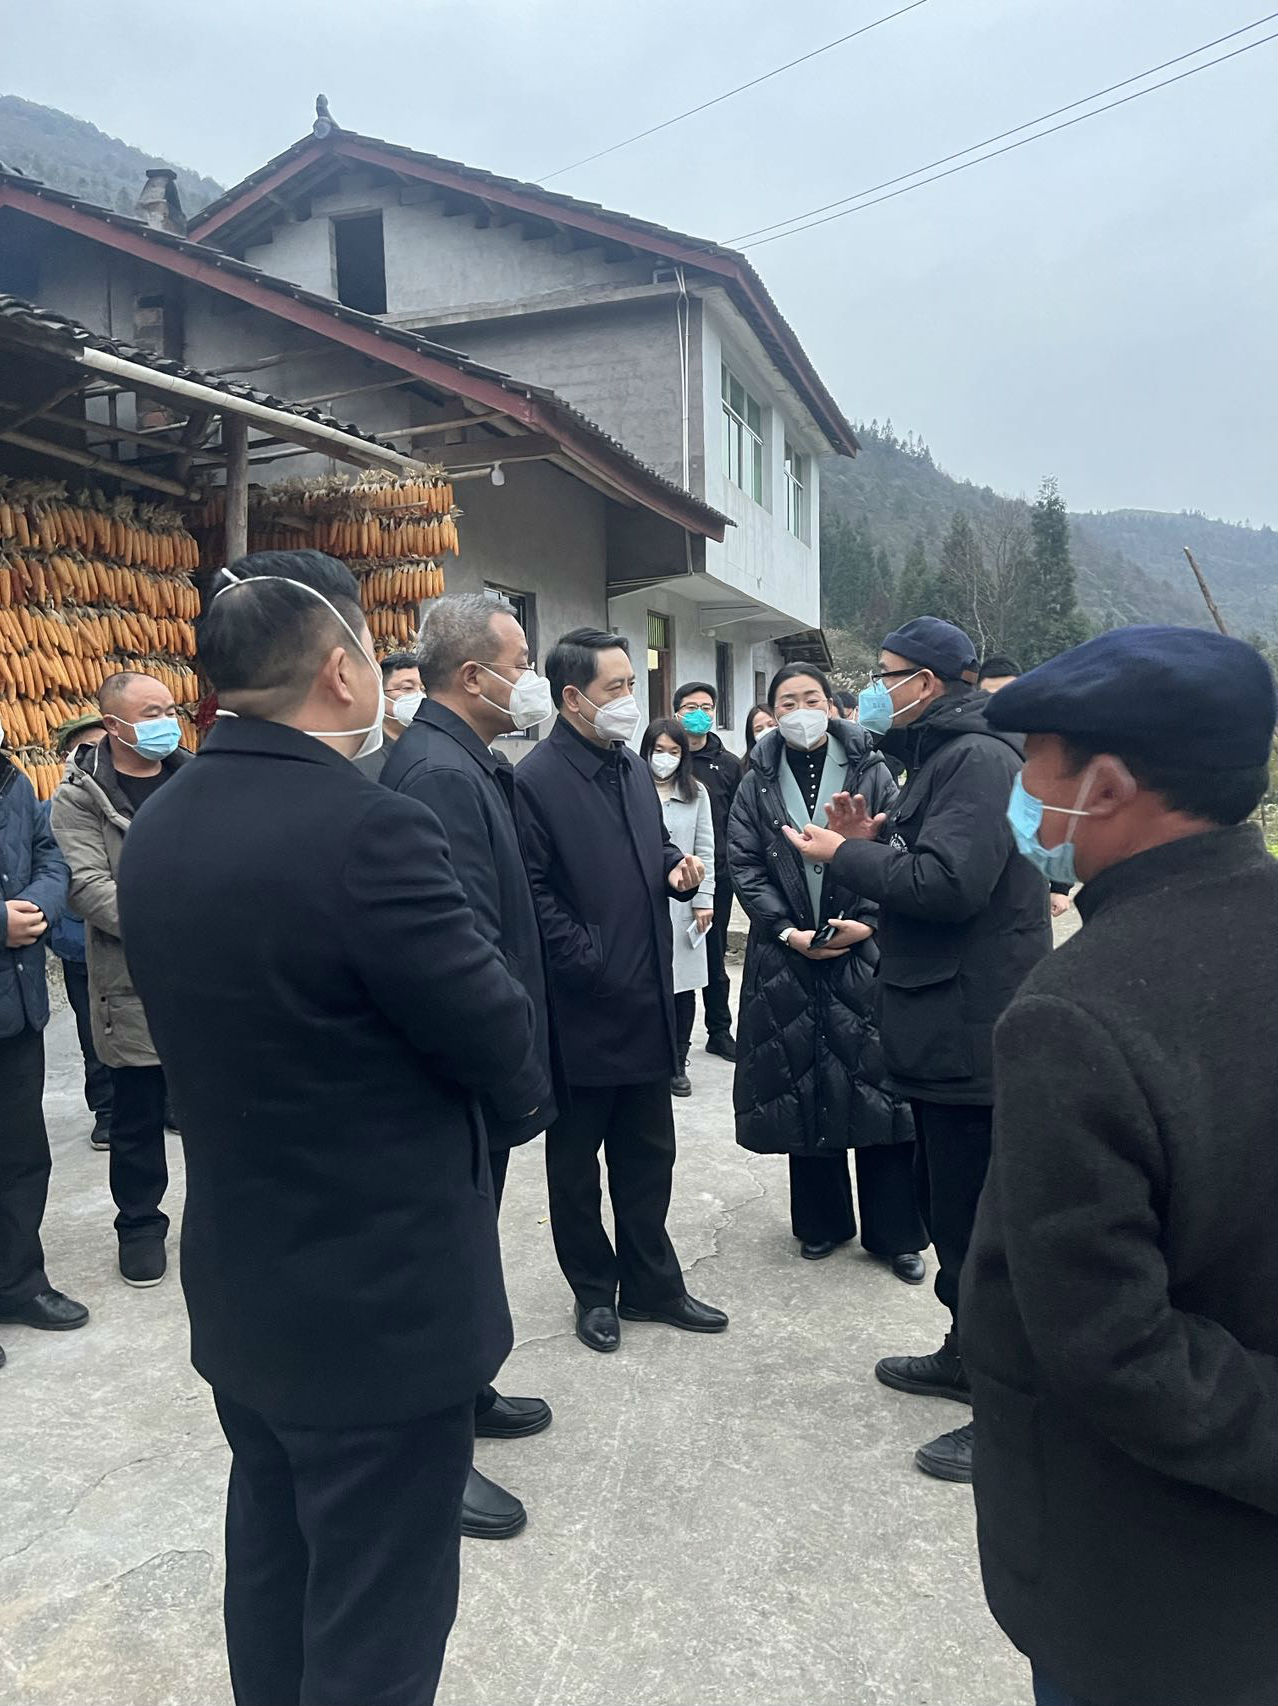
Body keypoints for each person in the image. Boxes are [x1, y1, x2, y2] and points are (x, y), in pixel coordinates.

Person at [118, 550, 535, 1706]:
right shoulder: (370, 828)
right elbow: (496, 1030)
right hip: (378, 1304)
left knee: (274, 1563)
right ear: (342, 670)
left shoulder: (163, 821)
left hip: (246, 1287)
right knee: (377, 1616)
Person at [962, 627, 1278, 1706]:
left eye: (1035, 765)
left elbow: (1116, 1346)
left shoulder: (1077, 1010)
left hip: (1154, 1581)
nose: (1022, 793)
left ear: (1103, 786)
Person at [785, 617, 1050, 1481]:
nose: (874, 688)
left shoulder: (976, 759)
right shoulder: (943, 755)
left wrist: (846, 857)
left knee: (981, 1226)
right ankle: (965, 1354)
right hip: (944, 1023)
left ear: (928, 682)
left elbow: (948, 884)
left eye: (886, 673)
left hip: (972, 1027)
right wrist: (871, 848)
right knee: (950, 1207)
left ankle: (1006, 1414)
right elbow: (932, 862)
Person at [382, 592, 557, 1543]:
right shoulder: (439, 775)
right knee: (448, 1260)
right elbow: (464, 948)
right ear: (471, 675)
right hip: (464, 1071)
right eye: (520, 662)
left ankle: (469, 1391)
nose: (529, 678)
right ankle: (435, 1456)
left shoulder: (469, 760)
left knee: (473, 1246)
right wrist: (510, 1068)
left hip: (487, 1059)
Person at [514, 629, 728, 1353]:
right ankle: (593, 1289)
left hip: (647, 999)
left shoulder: (631, 767)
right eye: (616, 688)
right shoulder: (537, 780)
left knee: (648, 1155)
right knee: (576, 1167)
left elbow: (652, 843)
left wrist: (676, 868)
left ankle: (652, 1284)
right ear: (573, 698)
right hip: (583, 1006)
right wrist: (592, 959)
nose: (630, 700)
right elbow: (532, 893)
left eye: (632, 685)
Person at [728, 667, 925, 1278]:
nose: (801, 710)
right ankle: (822, 1222)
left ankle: (897, 1233)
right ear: (772, 712)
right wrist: (785, 930)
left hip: (865, 950)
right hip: (787, 951)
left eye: (811, 698)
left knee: (880, 1088)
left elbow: (897, 848)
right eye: (787, 702)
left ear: (832, 704)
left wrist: (868, 921)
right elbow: (743, 862)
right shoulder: (756, 778)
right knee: (802, 1079)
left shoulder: (872, 767)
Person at [51, 671, 189, 1289]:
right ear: (113, 725)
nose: (167, 721)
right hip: (131, 975)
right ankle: (139, 1225)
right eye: (151, 712)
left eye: (169, 708)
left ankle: (221, 1218)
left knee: (213, 1109)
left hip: (208, 977)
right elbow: (87, 888)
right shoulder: (80, 797)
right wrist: (180, 925)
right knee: (136, 1112)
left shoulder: (194, 778)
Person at [0, 719, 86, 1364]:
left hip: (17, 1005)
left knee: (22, 1157)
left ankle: (19, 1282)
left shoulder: (12, 780)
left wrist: (38, 906)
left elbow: (49, 853)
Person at [44, 714, 112, 1150]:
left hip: (135, 936)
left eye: (102, 745)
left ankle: (167, 1101)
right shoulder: (52, 810)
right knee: (93, 1031)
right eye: (84, 749)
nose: (95, 756)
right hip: (79, 940)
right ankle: (107, 1109)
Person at [640, 717, 715, 1097]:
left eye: (673, 751)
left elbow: (705, 850)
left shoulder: (696, 793)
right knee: (645, 983)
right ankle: (648, 1056)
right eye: (658, 750)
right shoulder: (631, 787)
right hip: (640, 903)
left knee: (683, 986)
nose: (665, 758)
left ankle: (678, 1061)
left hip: (683, 904)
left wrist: (704, 900)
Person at [671, 681, 741, 1061]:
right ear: (676, 712)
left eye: (707, 707)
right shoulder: (666, 758)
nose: (699, 713)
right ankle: (673, 1039)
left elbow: (741, 819)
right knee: (674, 954)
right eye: (691, 707)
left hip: (717, 875)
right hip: (668, 875)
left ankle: (719, 1030)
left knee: (713, 952)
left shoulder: (728, 764)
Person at [978, 657, 1071, 917]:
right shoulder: (967, 746)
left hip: (1028, 878)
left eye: (1007, 695)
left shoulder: (1042, 744)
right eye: (989, 697)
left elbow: (1061, 812)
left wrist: (1060, 886)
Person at [354, 650, 423, 779]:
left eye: (423, 689)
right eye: (407, 688)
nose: (419, 696)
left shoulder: (435, 744)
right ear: (381, 693)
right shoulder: (363, 753)